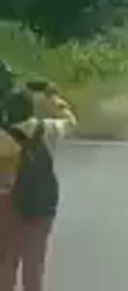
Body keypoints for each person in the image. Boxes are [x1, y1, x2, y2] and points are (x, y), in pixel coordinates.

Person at [0, 82, 76, 291]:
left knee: (6, 262)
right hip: (42, 203)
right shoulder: (47, 129)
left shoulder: (2, 136)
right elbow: (70, 121)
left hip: (7, 205)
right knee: (34, 264)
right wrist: (52, 97)